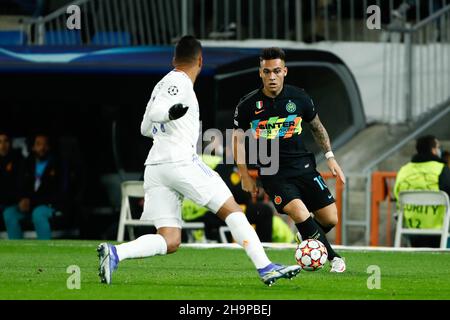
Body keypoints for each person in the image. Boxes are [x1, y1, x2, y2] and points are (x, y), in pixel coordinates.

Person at [97, 36, 301, 286]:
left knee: (170, 239)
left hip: (156, 168)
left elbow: (144, 128)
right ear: (201, 61)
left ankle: (116, 252)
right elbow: (155, 114)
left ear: (174, 58)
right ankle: (266, 267)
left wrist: (168, 121)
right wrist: (170, 114)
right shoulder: (178, 81)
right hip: (180, 162)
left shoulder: (161, 84)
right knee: (233, 210)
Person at [233, 47, 346, 272]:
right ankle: (334, 258)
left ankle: (305, 235)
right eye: (266, 72)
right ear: (260, 73)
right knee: (300, 213)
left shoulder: (300, 97)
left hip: (304, 167)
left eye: (276, 71)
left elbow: (318, 128)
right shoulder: (247, 105)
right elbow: (237, 141)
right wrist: (244, 174)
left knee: (330, 219)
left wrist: (330, 157)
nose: (272, 77)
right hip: (274, 173)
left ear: (285, 71)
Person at [394, 135, 450, 247]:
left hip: (411, 229)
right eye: (438, 147)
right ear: (433, 150)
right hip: (439, 229)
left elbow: (396, 196)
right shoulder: (442, 169)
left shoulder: (404, 170)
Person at [3, 133, 62, 240]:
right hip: (29, 206)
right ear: (33, 147)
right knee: (9, 213)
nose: (42, 148)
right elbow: (20, 185)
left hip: (48, 205)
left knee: (38, 213)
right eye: (38, 144)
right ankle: (17, 251)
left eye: (45, 144)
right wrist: (22, 199)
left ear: (49, 146)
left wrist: (32, 201)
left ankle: (46, 252)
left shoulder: (57, 164)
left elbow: (57, 191)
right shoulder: (26, 163)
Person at [0, 131, 22, 227]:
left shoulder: (18, 159)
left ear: (11, 143)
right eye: (0, 142)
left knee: (9, 214)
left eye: (6, 141)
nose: (3, 145)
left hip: (13, 203)